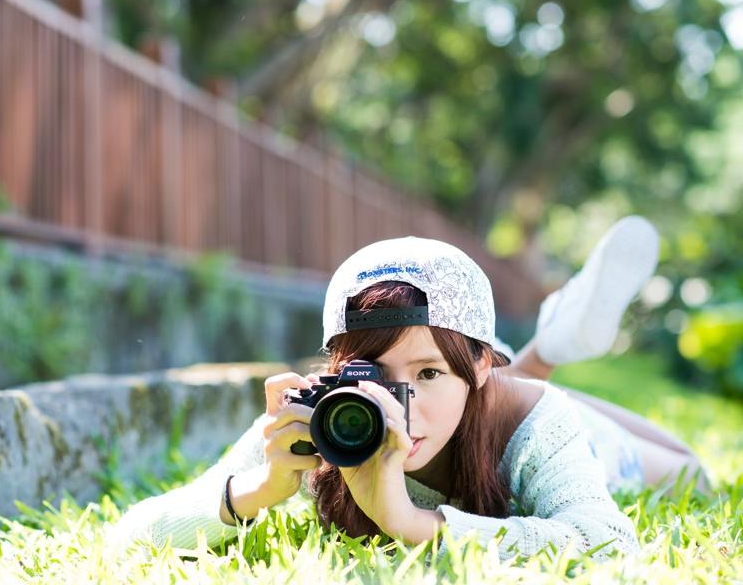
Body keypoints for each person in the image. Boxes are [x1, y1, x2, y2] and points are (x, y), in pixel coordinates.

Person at [112, 216, 708, 560]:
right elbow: (129, 540)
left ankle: (548, 351)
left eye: (426, 374)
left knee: (693, 475)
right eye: (373, 375)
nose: (399, 410)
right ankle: (544, 347)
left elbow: (606, 543)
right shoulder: (329, 415)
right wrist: (259, 488)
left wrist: (412, 521)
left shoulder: (535, 425)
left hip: (525, 415)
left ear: (479, 364)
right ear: (339, 369)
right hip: (485, 385)